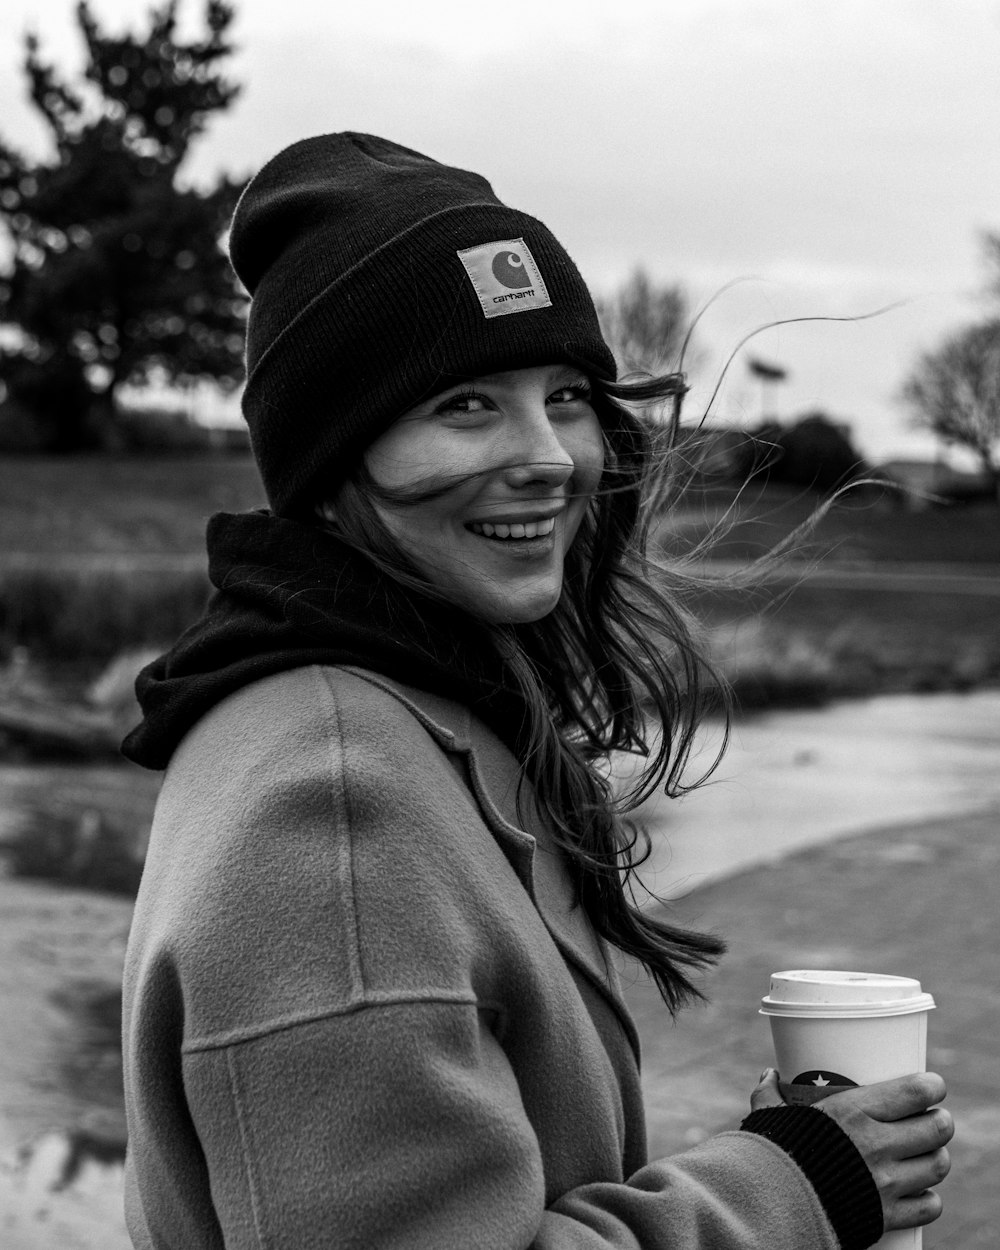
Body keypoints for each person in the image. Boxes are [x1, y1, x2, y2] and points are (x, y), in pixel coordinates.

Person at [121, 132, 952, 1249]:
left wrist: (773, 1161)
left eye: (563, 394)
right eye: (465, 403)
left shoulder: (412, 716)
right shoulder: (331, 799)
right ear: (331, 456)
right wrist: (794, 1190)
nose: (551, 454)